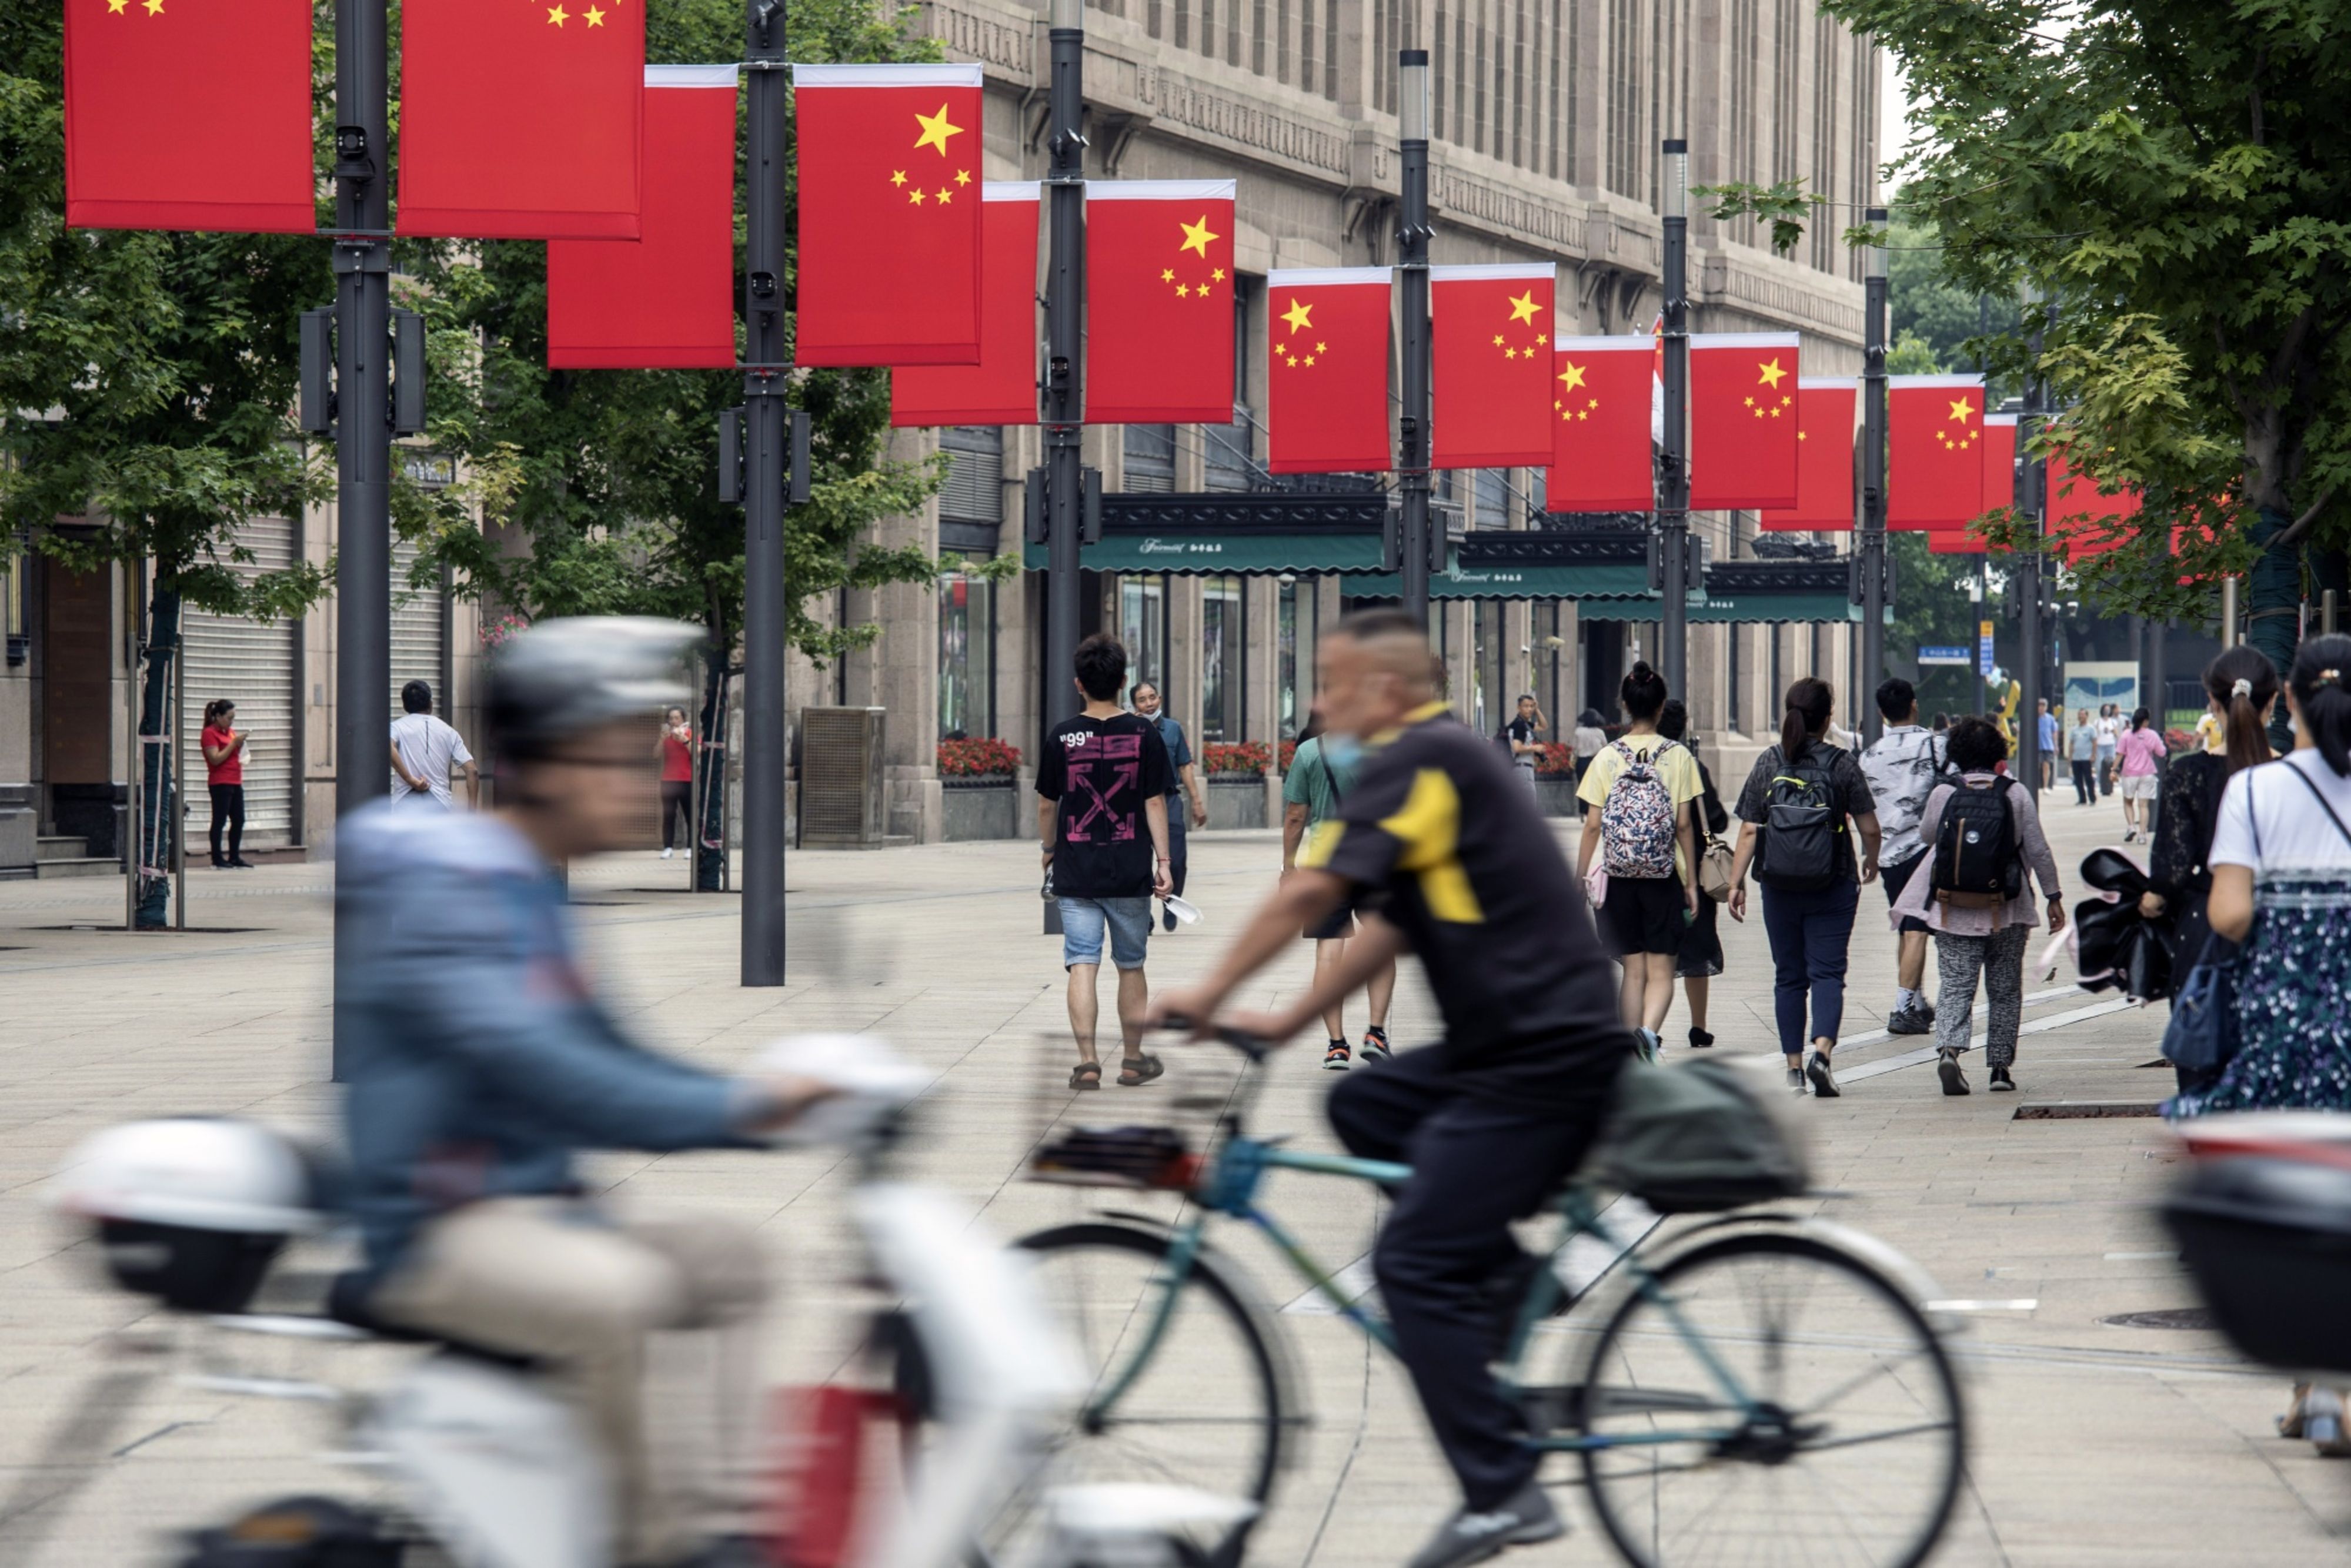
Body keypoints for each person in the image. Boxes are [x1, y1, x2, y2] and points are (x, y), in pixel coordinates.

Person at [338, 617, 834, 1568]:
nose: (647, 778)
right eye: (623, 757)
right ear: (554, 766)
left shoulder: (530, 890)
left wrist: (768, 1100)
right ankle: (651, 1545)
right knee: (621, 1295)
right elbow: (544, 1065)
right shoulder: (453, 887)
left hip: (531, 1209)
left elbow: (620, 1053)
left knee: (735, 1260)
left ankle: (719, 1526)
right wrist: (739, 1108)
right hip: (439, 1224)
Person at [1154, 609, 1631, 1568]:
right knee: (1360, 1101)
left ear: (1382, 689)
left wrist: (1208, 992)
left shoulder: (1423, 761)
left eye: (1330, 684)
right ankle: (1498, 1282)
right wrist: (1281, 1023)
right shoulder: (1436, 764)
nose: (1319, 703)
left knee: (1409, 1262)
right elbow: (1391, 926)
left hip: (1544, 1056)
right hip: (1508, 1042)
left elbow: (1308, 893)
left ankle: (1499, 1491)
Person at [2168, 634, 2351, 1453]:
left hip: (2288, 1010)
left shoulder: (2255, 790)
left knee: (2304, 1193)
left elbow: (2230, 914)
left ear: (2292, 702)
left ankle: (2312, 1386)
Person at [1894, 717, 2066, 1095]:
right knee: (2005, 990)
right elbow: (2037, 849)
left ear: (1956, 754)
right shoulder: (2015, 793)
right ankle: (2000, 1068)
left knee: (1956, 984)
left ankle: (1950, 1052)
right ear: (1998, 753)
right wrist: (2053, 896)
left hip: (1953, 908)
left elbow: (1927, 836)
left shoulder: (1944, 793)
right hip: (2008, 908)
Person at [1727, 677, 1882, 1097]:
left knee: (1789, 977)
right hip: (1833, 882)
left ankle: (1793, 1070)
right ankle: (1823, 1055)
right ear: (1828, 717)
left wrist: (1736, 881)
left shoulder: (1770, 760)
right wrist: (1871, 857)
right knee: (1828, 972)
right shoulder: (1842, 763)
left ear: (1788, 713)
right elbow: (1869, 826)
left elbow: (1748, 830)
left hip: (1778, 885)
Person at [1038, 636, 1175, 1089]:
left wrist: (1048, 849)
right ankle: (1133, 1059)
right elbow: (1155, 802)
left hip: (1077, 869)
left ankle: (1088, 1062)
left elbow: (1047, 804)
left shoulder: (1062, 735)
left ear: (1080, 684)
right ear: (1122, 682)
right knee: (1131, 964)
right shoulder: (1145, 734)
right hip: (1130, 868)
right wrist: (1165, 862)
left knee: (1082, 962)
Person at [2143, 649, 2280, 1079]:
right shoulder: (2291, 775)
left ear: (2211, 702)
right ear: (2274, 701)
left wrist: (2150, 900)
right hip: (2280, 929)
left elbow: (2171, 871)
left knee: (2202, 1070)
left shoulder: (2187, 774)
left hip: (2203, 926)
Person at [1576, 661, 1702, 1051]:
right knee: (1662, 969)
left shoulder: (1607, 757)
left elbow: (1593, 825)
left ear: (1625, 706)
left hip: (1619, 875)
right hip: (1664, 876)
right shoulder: (1678, 755)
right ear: (1661, 706)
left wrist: (1579, 878)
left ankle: (1629, 1050)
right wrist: (1692, 882)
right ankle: (1648, 1034)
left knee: (1633, 970)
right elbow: (1684, 826)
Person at [1282, 717, 1397, 1068]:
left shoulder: (1308, 753)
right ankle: (1376, 1033)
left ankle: (1336, 1045)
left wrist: (1289, 866)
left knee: (1328, 954)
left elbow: (1295, 817)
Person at [1859, 677, 1948, 1036]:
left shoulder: (1869, 756)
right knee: (1916, 929)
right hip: (1924, 851)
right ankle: (1901, 1008)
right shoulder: (1935, 746)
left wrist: (1870, 853)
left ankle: (1914, 1000)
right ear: (1914, 704)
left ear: (1882, 712)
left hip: (1888, 854)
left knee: (1907, 928)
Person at [1655, 699, 1726, 1048]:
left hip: (1647, 869)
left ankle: (1647, 1027)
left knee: (1654, 953)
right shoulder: (1691, 765)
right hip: (1692, 873)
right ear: (1683, 726)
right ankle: (1698, 1027)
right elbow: (1716, 819)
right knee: (1697, 952)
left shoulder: (1636, 761)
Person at [1132, 681, 1207, 931]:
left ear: (1160, 699)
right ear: (1135, 705)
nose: (1149, 703)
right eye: (1142, 700)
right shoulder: (1130, 729)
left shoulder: (1173, 729)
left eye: (1152, 697)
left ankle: (1169, 902)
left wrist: (1197, 801)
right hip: (1138, 803)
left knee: (1176, 859)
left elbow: (1185, 766)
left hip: (1169, 799)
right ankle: (1145, 914)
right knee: (1139, 860)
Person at [389, 680, 479, 813]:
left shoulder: (397, 727)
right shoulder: (449, 732)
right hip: (440, 805)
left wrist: (410, 779)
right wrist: (471, 814)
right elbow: (472, 771)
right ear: (431, 704)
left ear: (405, 705)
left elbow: (388, 747)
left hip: (405, 804)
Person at [199, 698, 253, 870]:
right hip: (220, 782)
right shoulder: (209, 733)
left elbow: (233, 751)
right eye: (229, 718)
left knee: (239, 819)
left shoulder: (230, 732)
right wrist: (233, 745)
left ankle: (234, 856)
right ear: (218, 716)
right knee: (219, 820)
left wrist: (240, 744)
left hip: (235, 781)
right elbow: (215, 759)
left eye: (233, 718)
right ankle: (217, 858)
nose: (231, 722)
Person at [2116, 706, 2166, 842]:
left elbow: (2120, 753)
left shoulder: (2126, 734)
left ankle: (2131, 827)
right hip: (2147, 773)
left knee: (2128, 802)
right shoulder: (2153, 735)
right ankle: (2142, 835)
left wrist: (2114, 769)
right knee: (2143, 805)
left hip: (2129, 773)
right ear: (2146, 721)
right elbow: (2162, 753)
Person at [1500, 693, 1545, 795]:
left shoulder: (1524, 724)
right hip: (1522, 769)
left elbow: (1543, 726)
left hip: (1520, 769)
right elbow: (1517, 747)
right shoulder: (1519, 725)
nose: (1529, 709)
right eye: (1526, 706)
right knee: (1528, 805)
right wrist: (1535, 748)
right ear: (1519, 708)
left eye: (1531, 706)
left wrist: (1537, 710)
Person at [1571, 708, 1609, 805]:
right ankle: (1593, 808)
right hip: (1596, 762)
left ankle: (1583, 810)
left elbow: (1574, 748)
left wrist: (1572, 760)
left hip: (1581, 762)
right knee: (1595, 787)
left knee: (1582, 787)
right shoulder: (1599, 732)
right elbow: (1606, 747)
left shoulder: (1578, 731)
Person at [2067, 707, 2100, 805]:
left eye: (2082, 714)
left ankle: (2092, 798)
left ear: (2087, 716)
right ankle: (2082, 799)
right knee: (2078, 780)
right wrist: (2070, 756)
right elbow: (2071, 743)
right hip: (2076, 758)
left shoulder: (2091, 729)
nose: (2080, 716)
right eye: (2079, 714)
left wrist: (2093, 755)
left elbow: (2094, 742)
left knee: (2089, 779)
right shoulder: (2074, 729)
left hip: (2086, 758)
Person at [2095, 702, 2122, 796]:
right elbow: (2096, 733)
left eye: (2108, 709)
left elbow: (2117, 733)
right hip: (2100, 745)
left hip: (2110, 745)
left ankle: (2111, 782)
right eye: (2105, 709)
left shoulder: (2113, 722)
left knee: (2111, 766)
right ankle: (2100, 782)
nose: (2106, 711)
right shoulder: (2097, 721)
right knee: (2099, 765)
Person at [2035, 698, 2059, 792]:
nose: (2041, 708)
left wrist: (2056, 745)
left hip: (2048, 745)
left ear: (2046, 707)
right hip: (2037, 746)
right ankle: (2036, 784)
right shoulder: (2034, 718)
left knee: (2046, 766)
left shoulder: (2051, 718)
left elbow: (2054, 732)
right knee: (2037, 765)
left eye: (2043, 706)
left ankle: (2045, 786)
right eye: (2040, 706)